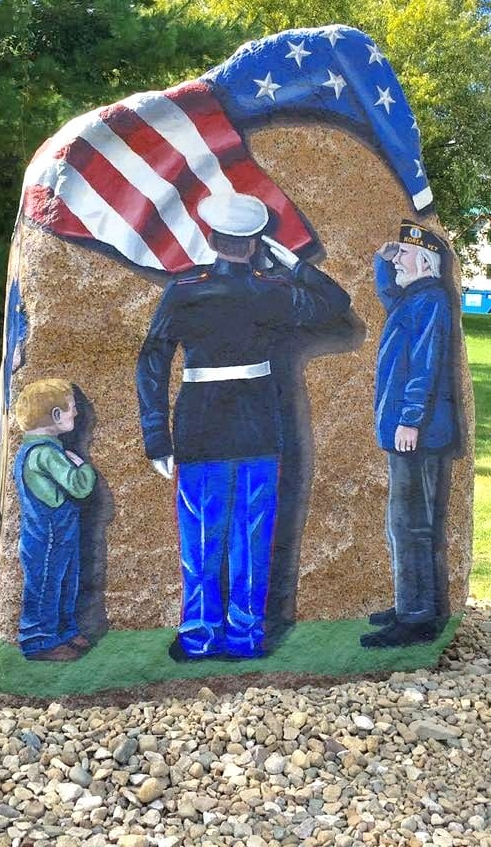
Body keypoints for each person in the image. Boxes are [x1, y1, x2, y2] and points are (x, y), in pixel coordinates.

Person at [136, 192, 351, 660]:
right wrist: (293, 263)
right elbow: (336, 301)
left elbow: (153, 360)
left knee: (200, 538)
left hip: (199, 424)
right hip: (256, 425)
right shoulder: (271, 291)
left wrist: (155, 434)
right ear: (256, 244)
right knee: (252, 537)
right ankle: (247, 635)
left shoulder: (185, 289)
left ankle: (197, 635)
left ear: (211, 238)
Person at [361, 223, 456, 648]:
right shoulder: (412, 298)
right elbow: (387, 293)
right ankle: (411, 605)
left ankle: (417, 617)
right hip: (408, 429)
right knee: (403, 522)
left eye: (403, 255)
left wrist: (411, 419)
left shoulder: (431, 300)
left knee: (412, 524)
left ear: (426, 262)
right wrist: (385, 258)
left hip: (419, 432)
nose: (398, 260)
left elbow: (426, 362)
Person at [13, 379, 97, 661]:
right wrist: (81, 466)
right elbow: (79, 486)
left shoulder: (33, 449)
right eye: (72, 408)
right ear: (56, 416)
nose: (76, 413)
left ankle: (65, 630)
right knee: (48, 585)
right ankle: (39, 639)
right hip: (48, 536)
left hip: (57, 534)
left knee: (65, 581)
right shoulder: (46, 454)